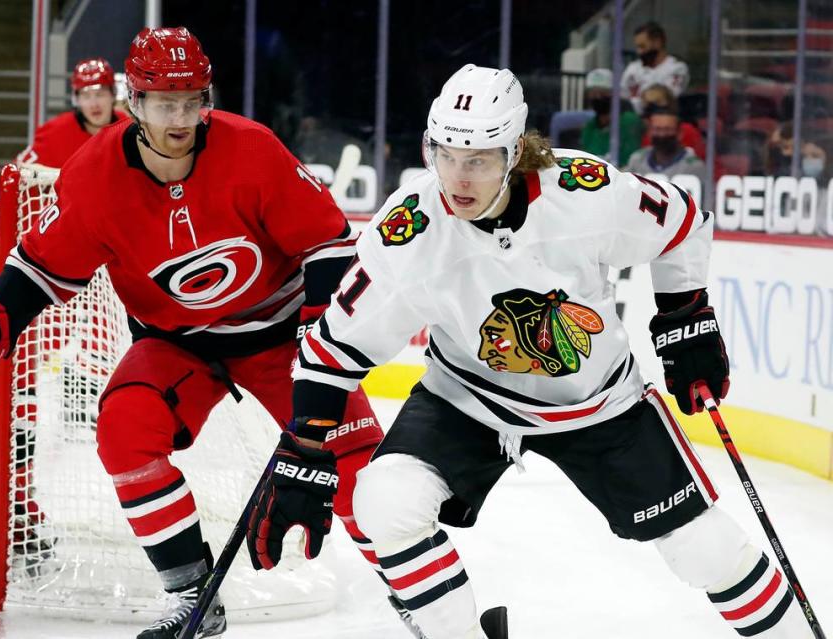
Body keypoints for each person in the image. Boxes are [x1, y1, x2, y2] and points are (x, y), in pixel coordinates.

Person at [252, 64, 812, 639]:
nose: (457, 178)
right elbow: (335, 347)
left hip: (599, 405)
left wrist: (685, 313)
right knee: (384, 499)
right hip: (468, 400)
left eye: (479, 160)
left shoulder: (584, 193)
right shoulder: (410, 231)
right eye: (444, 154)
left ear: (515, 152)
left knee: (705, 549)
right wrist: (307, 444)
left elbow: (682, 222)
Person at [0, 27, 386, 639]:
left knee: (362, 472)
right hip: (178, 345)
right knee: (124, 429)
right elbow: (40, 271)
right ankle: (193, 595)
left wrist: (320, 364)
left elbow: (328, 246)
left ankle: (419, 598)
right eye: (166, 102)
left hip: (282, 340)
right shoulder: (93, 176)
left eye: (193, 99)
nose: (183, 116)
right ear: (132, 103)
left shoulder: (253, 150)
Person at [17, 57, 130, 168]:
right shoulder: (55, 133)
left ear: (113, 95)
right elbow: (19, 173)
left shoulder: (128, 129)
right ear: (76, 100)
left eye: (100, 94)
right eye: (86, 96)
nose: (94, 104)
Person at [621, 21, 690, 114]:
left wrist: (638, 101)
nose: (639, 52)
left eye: (642, 47)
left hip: (662, 119)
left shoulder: (677, 68)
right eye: (637, 47)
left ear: (657, 42)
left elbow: (664, 99)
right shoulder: (632, 68)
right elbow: (621, 99)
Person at [579, 68, 643, 166]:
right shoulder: (589, 127)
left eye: (603, 93)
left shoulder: (629, 122)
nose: (598, 97)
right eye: (593, 93)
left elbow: (630, 163)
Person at [626, 106, 706, 182]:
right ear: (650, 132)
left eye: (667, 129)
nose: (662, 134)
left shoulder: (694, 167)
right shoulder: (637, 160)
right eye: (657, 129)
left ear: (679, 133)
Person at [639, 83, 706, 160]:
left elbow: (701, 160)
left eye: (657, 105)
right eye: (648, 107)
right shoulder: (647, 134)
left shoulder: (687, 130)